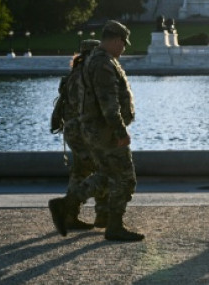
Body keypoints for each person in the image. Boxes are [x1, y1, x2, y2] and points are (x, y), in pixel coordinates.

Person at [49, 20, 144, 242]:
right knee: (125, 178)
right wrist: (120, 132)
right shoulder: (102, 63)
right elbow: (108, 104)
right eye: (122, 43)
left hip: (96, 132)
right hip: (106, 133)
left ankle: (74, 207)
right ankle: (112, 225)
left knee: (107, 176)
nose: (124, 48)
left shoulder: (96, 61)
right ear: (114, 40)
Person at [57, 39, 109, 230]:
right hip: (86, 131)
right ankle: (102, 215)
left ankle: (71, 215)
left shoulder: (73, 75)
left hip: (72, 131)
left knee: (81, 171)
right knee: (105, 169)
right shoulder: (90, 75)